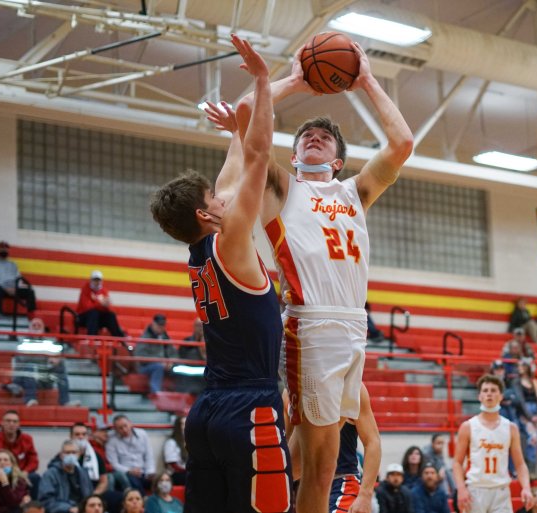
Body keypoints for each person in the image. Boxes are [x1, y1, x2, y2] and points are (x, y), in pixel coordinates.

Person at [234, 31, 413, 513]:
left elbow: (402, 143)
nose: (313, 138)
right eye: (304, 138)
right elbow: (245, 115)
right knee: (323, 466)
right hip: (311, 326)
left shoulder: (355, 192)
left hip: (353, 327)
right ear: (293, 156)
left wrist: (367, 80)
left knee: (299, 459)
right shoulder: (282, 189)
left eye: (325, 138)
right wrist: (292, 81)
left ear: (337, 161)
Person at [149, 36, 292, 513]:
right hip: (249, 409)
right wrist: (264, 81)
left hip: (207, 412)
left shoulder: (200, 252)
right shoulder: (231, 243)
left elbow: (231, 174)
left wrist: (234, 133)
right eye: (214, 199)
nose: (222, 198)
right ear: (205, 215)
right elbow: (258, 158)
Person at [453, 374, 533, 513]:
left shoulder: (511, 428)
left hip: (501, 490)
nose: (489, 394)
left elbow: (520, 464)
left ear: (501, 396)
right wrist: (461, 489)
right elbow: (457, 463)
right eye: (485, 390)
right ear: (479, 396)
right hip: (476, 489)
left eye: (493, 390)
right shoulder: (468, 426)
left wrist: (526, 487)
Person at [327, 384, 381, 513]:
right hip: (308, 484)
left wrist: (365, 495)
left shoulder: (352, 386)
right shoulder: (293, 388)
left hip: (342, 481)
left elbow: (372, 442)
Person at [10, 317, 77, 407]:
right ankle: (30, 399)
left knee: (60, 365)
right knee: (30, 366)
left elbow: (57, 356)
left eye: (39, 325)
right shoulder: (22, 342)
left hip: (42, 377)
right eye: (34, 325)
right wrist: (46, 357)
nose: (36, 327)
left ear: (43, 329)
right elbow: (25, 359)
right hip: (23, 378)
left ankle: (65, 401)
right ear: (29, 329)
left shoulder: (49, 341)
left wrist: (56, 359)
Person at [0, 410, 41, 493]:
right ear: (2, 423)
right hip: (2, 475)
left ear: (19, 425)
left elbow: (34, 461)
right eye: (8, 421)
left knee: (35, 477)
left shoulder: (27, 439)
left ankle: (32, 501)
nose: (11, 424)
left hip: (21, 475)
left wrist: (25, 472)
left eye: (15, 421)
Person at [70, 422, 121, 511]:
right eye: (77, 434)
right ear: (71, 436)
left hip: (93, 492)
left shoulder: (95, 456)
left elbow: (104, 481)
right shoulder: (65, 456)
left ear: (87, 436)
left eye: (84, 434)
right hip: (72, 494)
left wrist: (93, 495)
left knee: (119, 498)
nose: (81, 437)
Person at [38, 440, 94, 513]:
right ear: (61, 455)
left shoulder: (83, 473)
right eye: (67, 453)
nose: (71, 455)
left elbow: (90, 496)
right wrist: (68, 508)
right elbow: (46, 501)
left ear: (79, 454)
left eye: (74, 452)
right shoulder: (50, 474)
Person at [105, 415, 155, 492]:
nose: (124, 430)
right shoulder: (112, 441)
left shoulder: (142, 434)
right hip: (127, 473)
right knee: (133, 481)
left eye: (125, 426)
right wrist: (129, 471)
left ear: (130, 424)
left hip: (144, 472)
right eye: (120, 428)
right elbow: (114, 464)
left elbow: (149, 456)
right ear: (116, 430)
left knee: (160, 480)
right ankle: (143, 497)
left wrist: (150, 472)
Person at [0, 241, 36, 316]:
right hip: (0, 288)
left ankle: (32, 314)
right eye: (2, 248)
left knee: (30, 291)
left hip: (13, 288)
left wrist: (15, 288)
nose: (4, 250)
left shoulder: (13, 264)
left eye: (6, 249)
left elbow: (18, 277)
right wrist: (6, 288)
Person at [512, 361, 537, 476]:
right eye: (519, 366)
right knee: (524, 441)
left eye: (522, 366)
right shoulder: (517, 382)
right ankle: (523, 470)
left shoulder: (534, 382)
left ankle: (532, 470)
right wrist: (529, 417)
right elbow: (520, 400)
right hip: (524, 413)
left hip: (535, 413)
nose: (520, 368)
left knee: (534, 441)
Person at [0, 448, 32, 513]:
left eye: (6, 460)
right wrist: (5, 483)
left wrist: (26, 498)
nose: (2, 462)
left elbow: (15, 502)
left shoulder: (19, 479)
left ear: (12, 464)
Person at [76, 270, 124, 337]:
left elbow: (107, 308)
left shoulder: (104, 290)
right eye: (95, 280)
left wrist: (106, 306)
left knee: (111, 315)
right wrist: (100, 303)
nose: (97, 282)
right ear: (91, 280)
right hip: (83, 318)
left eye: (98, 280)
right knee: (93, 313)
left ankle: (120, 338)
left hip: (97, 318)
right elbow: (86, 307)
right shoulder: (85, 289)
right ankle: (92, 339)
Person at [135, 314, 173, 396]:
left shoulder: (166, 337)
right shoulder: (145, 337)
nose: (161, 327)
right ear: (153, 324)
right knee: (158, 367)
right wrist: (159, 361)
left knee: (177, 368)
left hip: (163, 365)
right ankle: (155, 394)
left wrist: (171, 362)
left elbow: (173, 353)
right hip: (145, 366)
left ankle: (179, 395)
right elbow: (140, 356)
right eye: (159, 325)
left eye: (162, 325)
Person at [162, 416, 187, 485]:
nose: (185, 427)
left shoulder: (192, 442)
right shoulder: (171, 442)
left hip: (187, 472)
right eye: (183, 424)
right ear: (177, 427)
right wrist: (188, 470)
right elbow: (173, 465)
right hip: (175, 474)